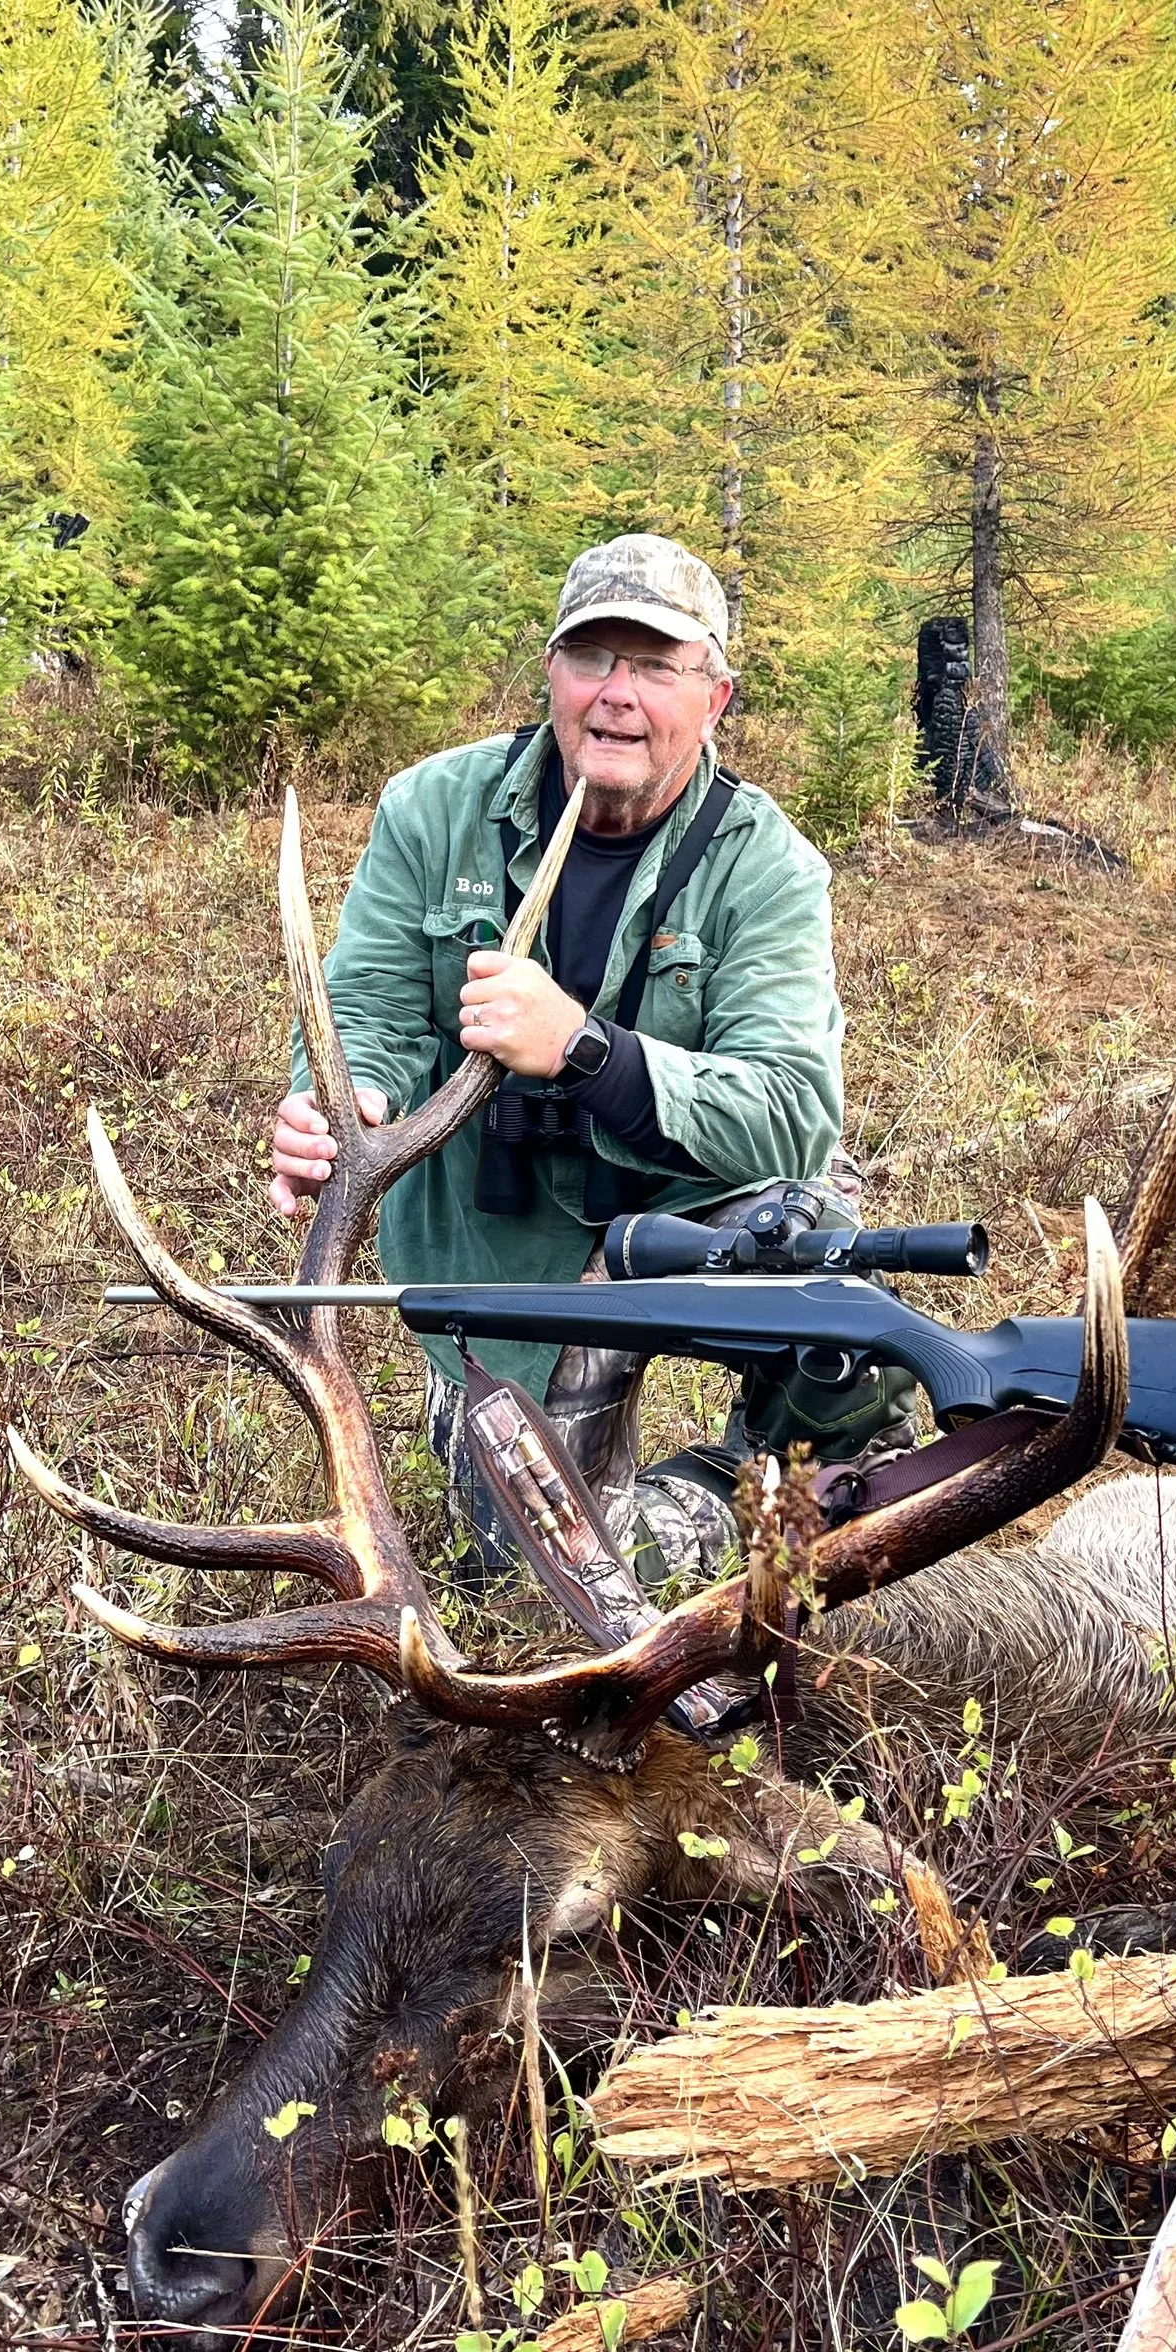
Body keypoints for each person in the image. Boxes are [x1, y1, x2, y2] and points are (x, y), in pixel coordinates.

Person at [269, 534, 914, 1579]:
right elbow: (367, 1001)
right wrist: (344, 1102)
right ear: (552, 674)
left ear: (715, 697)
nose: (616, 695)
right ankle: (739, 1515)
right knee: (551, 1583)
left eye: (655, 666)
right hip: (503, 1265)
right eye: (590, 659)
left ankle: (809, 1478)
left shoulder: (768, 864)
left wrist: (582, 1048)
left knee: (824, 1266)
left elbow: (795, 1112)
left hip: (701, 1214)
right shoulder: (431, 810)